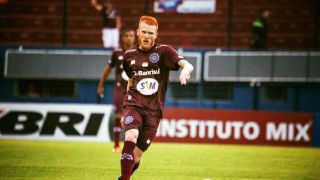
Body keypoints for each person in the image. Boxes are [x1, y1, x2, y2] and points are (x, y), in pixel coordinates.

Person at [118, 15, 194, 180]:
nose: (147, 36)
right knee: (130, 136)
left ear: (156, 34)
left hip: (154, 111)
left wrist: (185, 70)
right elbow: (131, 81)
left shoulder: (164, 51)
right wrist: (126, 109)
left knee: (136, 157)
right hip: (134, 105)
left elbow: (187, 64)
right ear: (138, 32)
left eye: (151, 33)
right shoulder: (128, 56)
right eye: (144, 32)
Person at [97, 28, 135, 152]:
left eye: (131, 35)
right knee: (118, 115)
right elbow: (108, 69)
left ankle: (132, 144)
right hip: (119, 88)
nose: (129, 38)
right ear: (122, 38)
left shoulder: (138, 52)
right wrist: (101, 84)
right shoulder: (117, 52)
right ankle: (117, 145)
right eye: (127, 35)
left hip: (133, 90)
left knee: (134, 117)